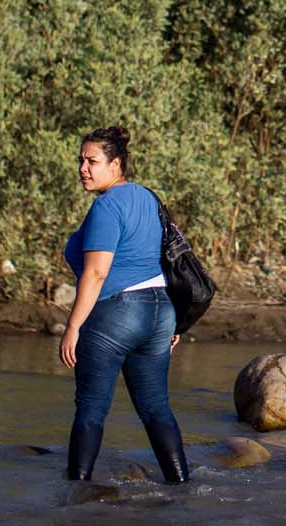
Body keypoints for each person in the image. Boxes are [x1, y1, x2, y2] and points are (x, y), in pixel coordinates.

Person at [59, 126, 189, 484]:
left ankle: (76, 497)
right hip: (160, 311)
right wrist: (173, 322)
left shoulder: (107, 205)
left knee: (91, 410)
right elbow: (164, 259)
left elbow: (97, 272)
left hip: (117, 313)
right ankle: (183, 489)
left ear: (116, 164)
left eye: (92, 161)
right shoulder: (147, 198)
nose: (83, 168)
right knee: (156, 408)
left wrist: (72, 327)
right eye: (81, 160)